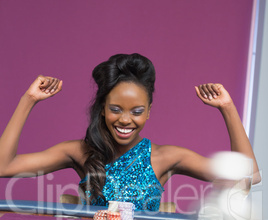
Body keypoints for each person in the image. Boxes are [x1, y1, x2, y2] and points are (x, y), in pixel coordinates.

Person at [0, 53, 261, 211]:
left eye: (136, 111)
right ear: (102, 109)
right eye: (115, 109)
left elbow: (247, 179)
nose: (125, 120)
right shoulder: (79, 152)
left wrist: (227, 108)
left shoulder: (166, 157)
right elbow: (4, 166)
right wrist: (28, 100)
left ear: (149, 111)